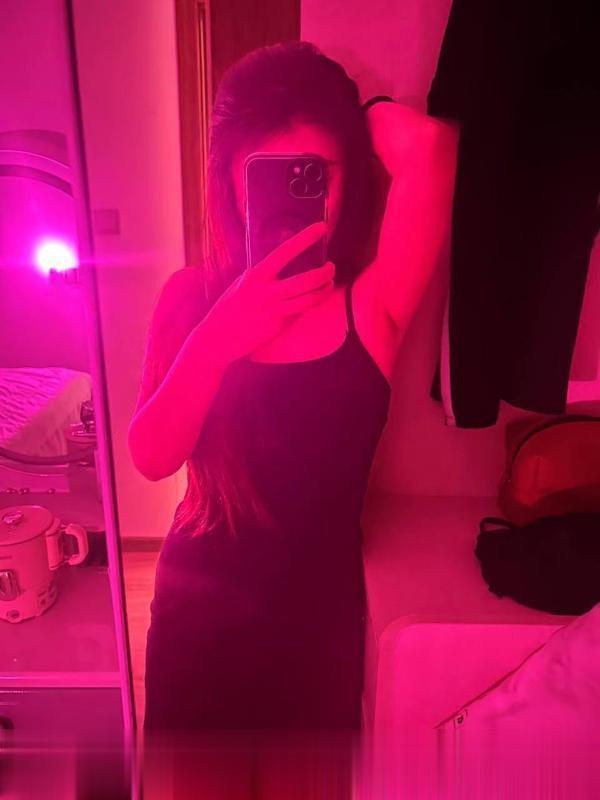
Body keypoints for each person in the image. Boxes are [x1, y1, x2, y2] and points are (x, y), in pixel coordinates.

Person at [129, 41, 457, 740]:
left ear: (348, 178)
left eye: (313, 173)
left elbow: (430, 150)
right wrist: (221, 335)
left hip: (316, 633)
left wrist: (347, 111)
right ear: (230, 183)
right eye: (265, 175)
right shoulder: (191, 298)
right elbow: (152, 457)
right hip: (196, 623)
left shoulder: (370, 308)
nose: (288, 195)